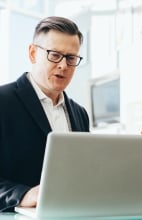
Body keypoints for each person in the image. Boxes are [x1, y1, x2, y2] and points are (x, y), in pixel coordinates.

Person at [0, 16, 90, 212]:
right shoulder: (3, 102)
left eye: (71, 58)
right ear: (33, 53)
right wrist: (24, 194)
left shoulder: (80, 113)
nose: (63, 65)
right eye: (54, 55)